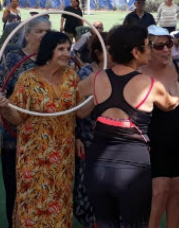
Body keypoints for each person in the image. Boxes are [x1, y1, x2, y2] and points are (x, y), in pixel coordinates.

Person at [82, 25, 179, 228]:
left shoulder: (96, 78)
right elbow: (170, 104)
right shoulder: (150, 85)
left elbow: (76, 102)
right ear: (135, 52)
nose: (151, 50)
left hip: (97, 167)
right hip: (131, 170)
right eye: (148, 46)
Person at [0, 31, 91, 227]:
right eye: (61, 49)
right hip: (34, 156)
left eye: (68, 49)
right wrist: (4, 107)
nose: (66, 53)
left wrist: (97, 96)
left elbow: (80, 112)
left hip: (63, 156)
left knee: (60, 204)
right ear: (48, 51)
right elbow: (17, 118)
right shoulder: (29, 79)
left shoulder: (72, 77)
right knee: (31, 204)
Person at [0, 16, 50, 227]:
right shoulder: (11, 57)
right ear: (26, 35)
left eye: (48, 31)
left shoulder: (54, 58)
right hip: (15, 136)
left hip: (46, 136)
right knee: (16, 189)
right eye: (39, 32)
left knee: (45, 186)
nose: (45, 36)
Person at [139, 26, 179, 228]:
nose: (165, 50)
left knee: (178, 189)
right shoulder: (139, 73)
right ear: (147, 48)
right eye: (159, 45)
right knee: (159, 193)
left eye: (168, 44)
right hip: (153, 144)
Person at [74, 32, 111, 228]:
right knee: (88, 194)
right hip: (89, 141)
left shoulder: (124, 73)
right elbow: (79, 112)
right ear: (98, 53)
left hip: (116, 143)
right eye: (110, 50)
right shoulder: (85, 74)